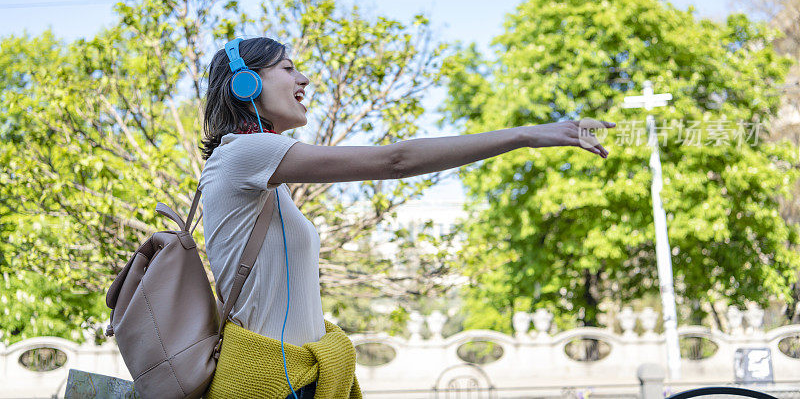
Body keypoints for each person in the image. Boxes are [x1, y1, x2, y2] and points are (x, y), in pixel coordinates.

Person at [197, 36, 614, 398]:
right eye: (288, 68)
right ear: (246, 82)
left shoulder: (261, 169)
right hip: (273, 384)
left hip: (293, 379)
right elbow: (396, 160)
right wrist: (526, 135)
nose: (304, 79)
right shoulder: (244, 154)